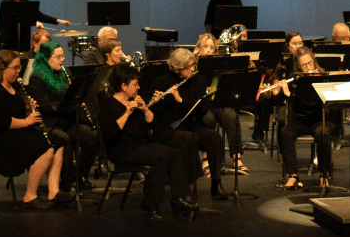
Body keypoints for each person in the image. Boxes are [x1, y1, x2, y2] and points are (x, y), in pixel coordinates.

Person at [98, 64, 198, 220]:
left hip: (141, 145)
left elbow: (152, 122)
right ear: (124, 86)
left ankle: (180, 197)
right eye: (135, 84)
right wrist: (127, 113)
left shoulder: (135, 100)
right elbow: (110, 133)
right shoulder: (108, 106)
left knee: (174, 153)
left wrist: (145, 109)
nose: (138, 88)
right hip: (122, 150)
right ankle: (151, 203)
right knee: (160, 157)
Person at [0, 50, 65, 208]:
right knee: (46, 149)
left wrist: (29, 109)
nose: (18, 71)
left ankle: (54, 192)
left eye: (19, 67)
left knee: (57, 142)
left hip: (15, 132)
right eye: (15, 68)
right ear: (3, 69)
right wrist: (28, 121)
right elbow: (4, 122)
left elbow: (16, 112)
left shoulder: (14, 85)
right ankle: (30, 196)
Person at [148, 48, 225, 198]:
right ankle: (184, 189)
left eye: (193, 65)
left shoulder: (199, 80)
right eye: (188, 66)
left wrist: (180, 100)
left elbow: (201, 110)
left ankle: (216, 183)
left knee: (213, 137)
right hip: (169, 131)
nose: (192, 69)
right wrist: (156, 101)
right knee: (186, 139)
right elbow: (156, 116)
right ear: (177, 68)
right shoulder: (162, 82)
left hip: (192, 126)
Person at [24, 41, 98, 193]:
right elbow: (44, 105)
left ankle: (80, 176)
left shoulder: (66, 73)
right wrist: (65, 105)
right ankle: (67, 181)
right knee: (65, 139)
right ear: (45, 58)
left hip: (66, 119)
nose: (61, 60)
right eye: (57, 57)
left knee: (92, 136)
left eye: (62, 56)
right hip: (49, 122)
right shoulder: (37, 77)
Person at [276, 47, 336, 190]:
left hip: (320, 119)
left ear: (314, 61)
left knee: (323, 133)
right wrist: (285, 91)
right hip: (300, 120)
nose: (309, 67)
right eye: (304, 65)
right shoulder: (295, 79)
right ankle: (293, 176)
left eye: (310, 63)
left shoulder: (323, 77)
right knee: (285, 132)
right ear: (299, 67)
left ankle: (323, 174)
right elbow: (278, 101)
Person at [193, 34, 248, 174]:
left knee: (231, 116)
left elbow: (222, 86)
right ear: (199, 48)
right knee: (208, 119)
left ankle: (237, 158)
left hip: (216, 101)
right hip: (200, 104)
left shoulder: (217, 64)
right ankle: (206, 158)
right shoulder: (192, 64)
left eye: (211, 47)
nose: (208, 50)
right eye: (205, 47)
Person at [0, 0, 71, 52]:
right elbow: (13, 18)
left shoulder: (26, 3)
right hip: (7, 42)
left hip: (22, 43)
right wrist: (34, 22)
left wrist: (58, 20)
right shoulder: (6, 3)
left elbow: (40, 15)